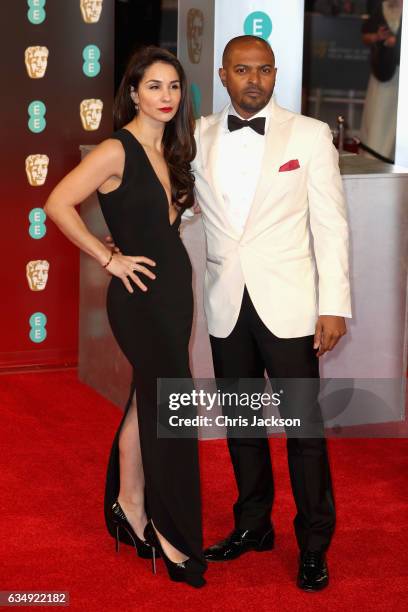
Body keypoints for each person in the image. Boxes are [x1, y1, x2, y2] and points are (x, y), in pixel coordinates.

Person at [44, 46, 206, 588]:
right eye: (154, 86)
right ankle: (172, 534)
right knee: (169, 405)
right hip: (139, 297)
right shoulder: (116, 148)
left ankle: (129, 503)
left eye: (174, 87)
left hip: (174, 293)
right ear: (133, 92)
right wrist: (108, 257)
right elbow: (57, 203)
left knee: (148, 399)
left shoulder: (173, 149)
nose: (166, 97)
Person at [192, 35, 351, 591]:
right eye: (241, 69)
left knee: (304, 432)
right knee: (241, 423)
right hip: (226, 302)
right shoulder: (197, 135)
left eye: (262, 70)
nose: (253, 79)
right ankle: (253, 525)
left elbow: (331, 225)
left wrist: (334, 305)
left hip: (290, 305)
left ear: (275, 73)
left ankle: (313, 544)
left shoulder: (309, 135)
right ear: (223, 74)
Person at [360, 0, 403, 162]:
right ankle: (374, 158)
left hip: (402, 74)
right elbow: (365, 36)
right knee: (378, 115)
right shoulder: (382, 7)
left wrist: (398, 42)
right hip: (383, 73)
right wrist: (378, 36)